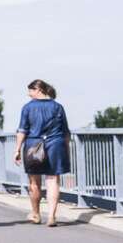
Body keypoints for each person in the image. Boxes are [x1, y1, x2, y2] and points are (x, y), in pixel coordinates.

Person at [13, 79, 72, 226]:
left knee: (34, 182)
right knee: (53, 181)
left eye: (30, 91)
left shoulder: (27, 108)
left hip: (34, 145)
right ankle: (51, 216)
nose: (29, 94)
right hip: (55, 145)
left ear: (38, 89)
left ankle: (36, 214)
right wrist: (66, 148)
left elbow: (22, 131)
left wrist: (17, 149)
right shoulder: (58, 107)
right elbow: (65, 132)